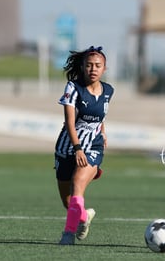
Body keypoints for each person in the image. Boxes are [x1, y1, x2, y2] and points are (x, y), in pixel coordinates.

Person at [54, 46, 114, 245]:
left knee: (78, 183)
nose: (93, 69)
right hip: (68, 146)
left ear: (104, 68)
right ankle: (83, 217)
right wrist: (77, 148)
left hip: (93, 146)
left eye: (97, 66)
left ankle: (68, 234)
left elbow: (100, 115)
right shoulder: (73, 87)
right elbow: (70, 122)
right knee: (68, 201)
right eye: (89, 65)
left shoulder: (108, 91)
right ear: (82, 66)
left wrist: (102, 132)